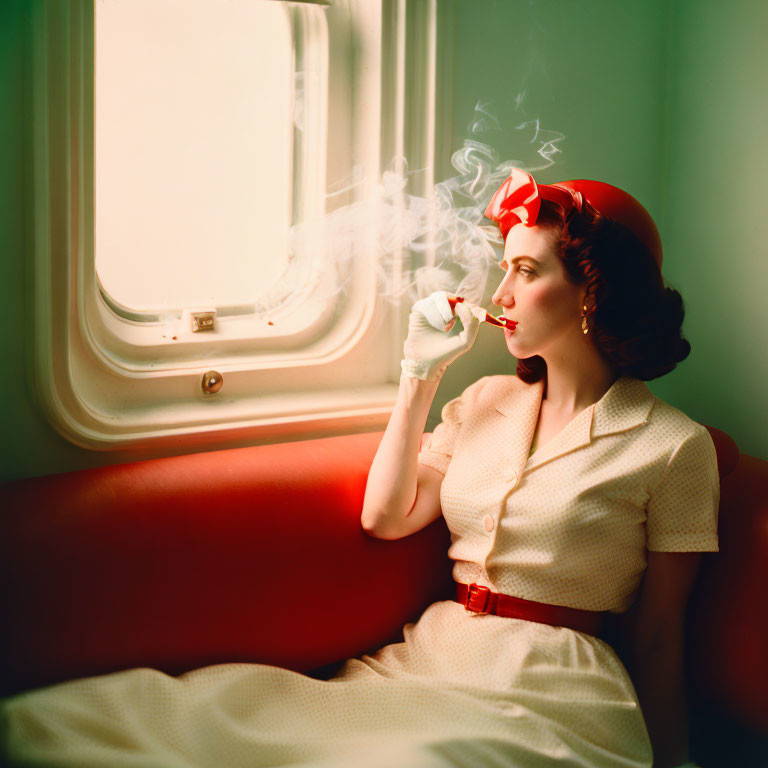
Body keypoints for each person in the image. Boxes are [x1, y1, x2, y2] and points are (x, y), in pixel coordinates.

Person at [0, 170, 718, 768]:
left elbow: (659, 635)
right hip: (434, 656)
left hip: (556, 693)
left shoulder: (671, 447)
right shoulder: (488, 401)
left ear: (593, 290)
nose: (500, 294)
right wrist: (417, 375)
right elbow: (385, 517)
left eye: (525, 272)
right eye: (504, 268)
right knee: (209, 715)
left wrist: (677, 761)